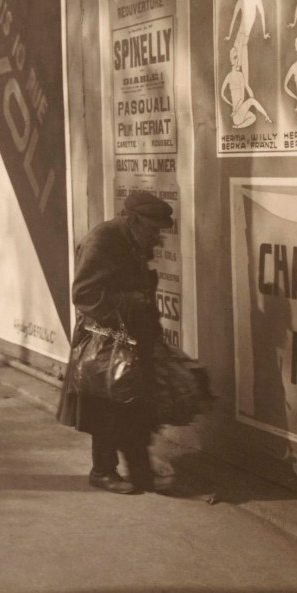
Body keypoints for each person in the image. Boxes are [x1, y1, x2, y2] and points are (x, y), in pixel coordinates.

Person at [56, 190, 174, 494]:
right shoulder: (103, 240)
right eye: (153, 230)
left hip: (133, 336)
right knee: (107, 407)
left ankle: (140, 472)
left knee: (136, 407)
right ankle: (103, 471)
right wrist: (129, 302)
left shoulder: (133, 239)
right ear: (132, 220)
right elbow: (82, 295)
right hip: (104, 340)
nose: (157, 239)